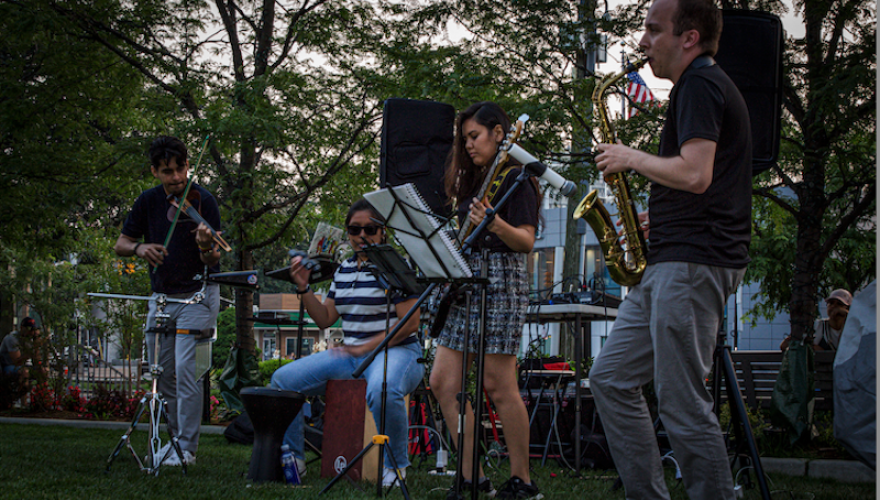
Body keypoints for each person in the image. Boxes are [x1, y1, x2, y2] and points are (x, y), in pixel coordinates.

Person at [589, 0, 752, 497]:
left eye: (653, 30)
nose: (642, 42)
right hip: (671, 256)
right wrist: (657, 216)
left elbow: (696, 173)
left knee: (682, 405)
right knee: (610, 378)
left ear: (689, 37)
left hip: (691, 264)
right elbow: (701, 181)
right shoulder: (695, 86)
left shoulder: (701, 83)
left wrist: (630, 157)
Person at [429, 101, 542, 500]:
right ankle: (472, 476)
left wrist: (493, 221)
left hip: (500, 280)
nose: (469, 145)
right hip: (465, 279)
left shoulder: (518, 178)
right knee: (443, 381)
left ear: (499, 132)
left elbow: (526, 242)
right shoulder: (477, 178)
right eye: (465, 139)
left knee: (498, 384)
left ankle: (522, 481)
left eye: (474, 137)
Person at [271, 199, 424, 487]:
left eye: (370, 229)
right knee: (282, 380)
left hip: (398, 352)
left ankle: (395, 467)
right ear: (348, 233)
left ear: (383, 232)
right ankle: (294, 459)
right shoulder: (343, 270)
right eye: (355, 230)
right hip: (352, 356)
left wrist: (366, 347)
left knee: (384, 388)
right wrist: (303, 287)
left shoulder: (395, 266)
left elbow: (410, 324)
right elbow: (326, 318)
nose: (362, 236)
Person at [114, 136, 222, 466]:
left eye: (180, 169)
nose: (176, 178)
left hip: (198, 295)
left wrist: (205, 245)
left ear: (188, 165)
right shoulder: (147, 201)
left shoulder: (204, 201)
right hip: (161, 297)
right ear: (155, 171)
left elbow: (213, 259)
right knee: (163, 375)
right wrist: (140, 248)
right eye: (167, 171)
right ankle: (173, 441)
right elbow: (121, 243)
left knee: (186, 372)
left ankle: (186, 449)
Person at [780, 289, 852, 352]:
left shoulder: (854, 328)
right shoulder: (818, 325)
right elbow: (784, 345)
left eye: (839, 304)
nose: (833, 306)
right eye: (831, 303)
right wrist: (812, 348)